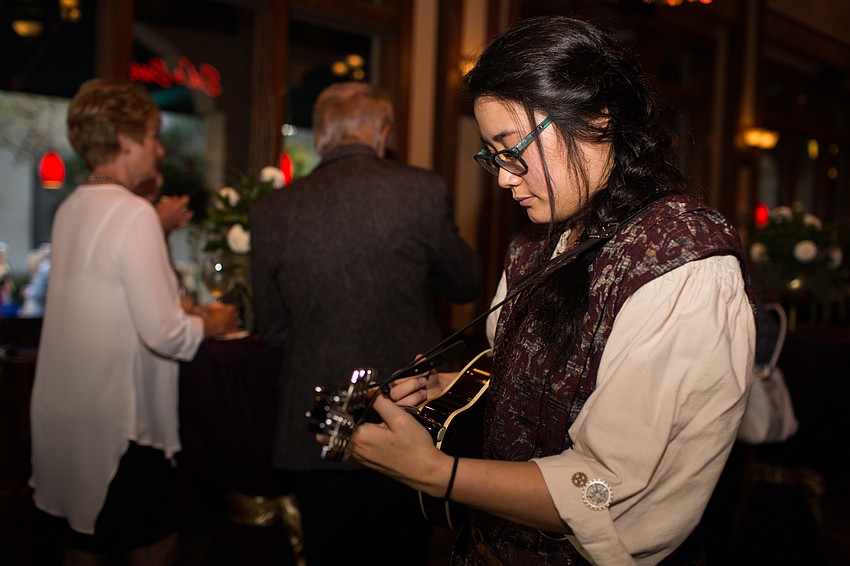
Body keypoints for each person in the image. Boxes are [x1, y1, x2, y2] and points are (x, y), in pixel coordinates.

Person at [337, 17, 757, 565]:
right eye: (492, 155)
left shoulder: (688, 269)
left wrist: (438, 472)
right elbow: (527, 369)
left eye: (512, 149)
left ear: (597, 118)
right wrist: (455, 385)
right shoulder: (540, 240)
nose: (503, 178)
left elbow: (606, 492)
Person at [250, 81, 482, 565]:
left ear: (321, 138)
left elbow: (270, 327)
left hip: (319, 421)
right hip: (407, 411)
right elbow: (466, 283)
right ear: (382, 133)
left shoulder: (273, 210)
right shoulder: (421, 190)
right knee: (402, 552)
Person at [29, 78, 238, 565]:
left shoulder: (71, 207)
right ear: (125, 141)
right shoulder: (134, 213)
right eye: (151, 137)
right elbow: (165, 333)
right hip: (119, 422)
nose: (160, 150)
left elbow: (111, 299)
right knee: (155, 549)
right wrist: (215, 322)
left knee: (83, 548)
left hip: (62, 414)